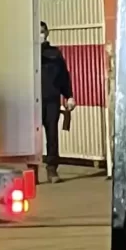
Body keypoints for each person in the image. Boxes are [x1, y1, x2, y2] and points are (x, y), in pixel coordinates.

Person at [39, 23, 74, 183]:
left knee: (52, 135)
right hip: (32, 102)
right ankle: (32, 170)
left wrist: (69, 96)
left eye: (42, 32)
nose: (40, 35)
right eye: (37, 32)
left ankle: (52, 168)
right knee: (32, 139)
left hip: (51, 100)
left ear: (47, 33)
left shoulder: (55, 54)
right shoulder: (27, 53)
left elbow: (63, 77)